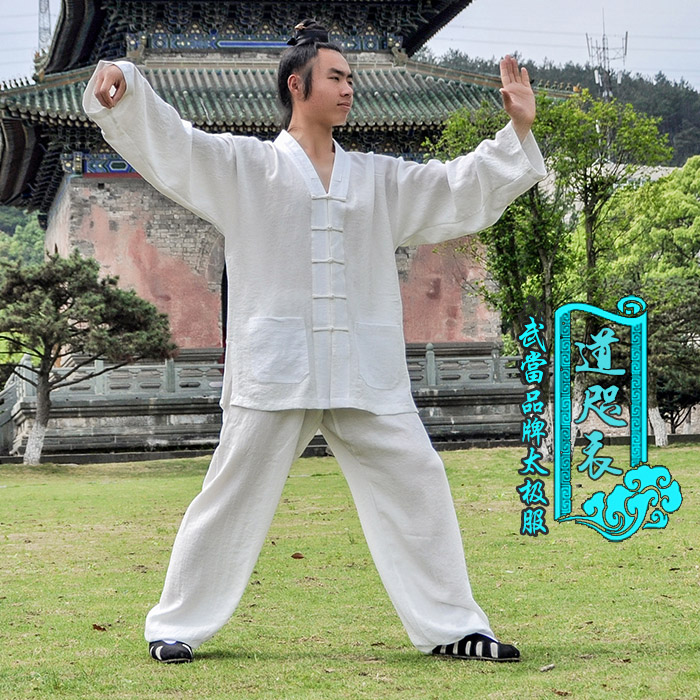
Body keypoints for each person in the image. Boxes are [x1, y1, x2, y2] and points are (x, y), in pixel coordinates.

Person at [83, 19, 546, 665]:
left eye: (353, 78)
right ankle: (176, 625)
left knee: (420, 481)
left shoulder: (381, 178)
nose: (349, 88)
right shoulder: (247, 168)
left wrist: (516, 132)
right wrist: (126, 84)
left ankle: (453, 628)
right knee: (232, 494)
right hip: (276, 366)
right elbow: (178, 146)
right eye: (337, 76)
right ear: (298, 84)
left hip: (366, 367)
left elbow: (453, 186)